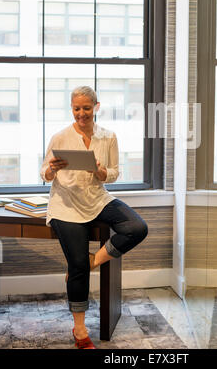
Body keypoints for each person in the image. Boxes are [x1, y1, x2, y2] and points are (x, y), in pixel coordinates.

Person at [40, 86, 148, 349]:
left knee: (137, 227)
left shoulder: (108, 137)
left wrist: (102, 174)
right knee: (75, 263)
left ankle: (92, 261)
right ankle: (79, 329)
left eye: (86, 108)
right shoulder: (60, 137)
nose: (81, 114)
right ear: (72, 109)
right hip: (65, 204)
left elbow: (114, 172)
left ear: (96, 107)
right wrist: (51, 170)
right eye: (77, 108)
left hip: (98, 199)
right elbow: (44, 173)